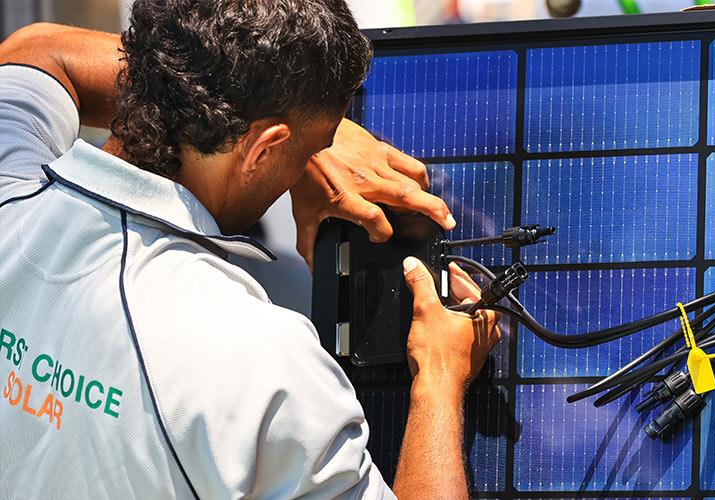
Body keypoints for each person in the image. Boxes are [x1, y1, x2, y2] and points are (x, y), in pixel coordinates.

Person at [0, 1, 500, 498]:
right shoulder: (263, 363)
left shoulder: (12, 188)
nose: (316, 165)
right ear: (263, 149)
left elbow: (37, 51)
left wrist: (286, 127)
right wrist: (440, 375)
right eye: (313, 150)